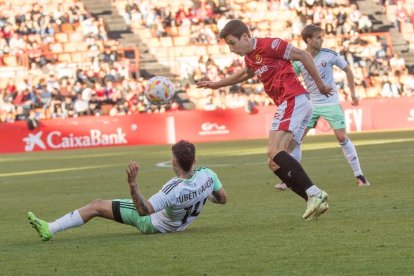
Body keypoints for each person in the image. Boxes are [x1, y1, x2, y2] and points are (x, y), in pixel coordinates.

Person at [197, 19, 331, 220]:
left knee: (272, 150)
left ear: (244, 36)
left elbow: (302, 55)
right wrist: (217, 84)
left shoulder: (270, 45)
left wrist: (319, 85)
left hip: (293, 98)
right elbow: (243, 75)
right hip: (293, 103)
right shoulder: (251, 58)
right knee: (275, 163)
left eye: (232, 43)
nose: (232, 49)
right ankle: (313, 199)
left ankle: (314, 192)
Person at [28, 140, 227, 241]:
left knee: (96, 205)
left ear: (174, 162)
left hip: (154, 224)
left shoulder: (172, 189)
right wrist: (205, 195)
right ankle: (51, 228)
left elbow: (143, 210)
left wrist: (133, 185)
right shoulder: (208, 175)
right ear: (194, 161)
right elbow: (222, 199)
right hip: (180, 224)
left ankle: (50, 228)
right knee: (102, 204)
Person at [275, 24, 370, 191]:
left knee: (341, 137)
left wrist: (353, 93)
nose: (322, 40)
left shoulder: (329, 54)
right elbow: (291, 78)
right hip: (310, 104)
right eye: (318, 37)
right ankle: (287, 178)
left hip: (330, 102)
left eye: (321, 37)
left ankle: (359, 175)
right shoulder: (300, 59)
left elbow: (347, 70)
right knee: (295, 140)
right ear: (309, 40)